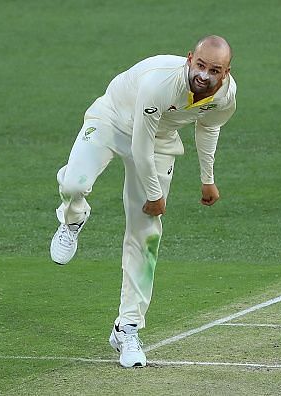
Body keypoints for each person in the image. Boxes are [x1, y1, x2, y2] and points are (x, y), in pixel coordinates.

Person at [50, 35, 237, 367]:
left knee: (146, 233)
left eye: (215, 70)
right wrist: (155, 195)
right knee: (74, 183)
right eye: (200, 65)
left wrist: (207, 178)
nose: (204, 75)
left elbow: (208, 129)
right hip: (112, 120)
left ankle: (128, 327)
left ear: (226, 72)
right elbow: (139, 146)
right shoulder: (160, 84)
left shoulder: (225, 95)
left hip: (161, 140)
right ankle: (73, 216)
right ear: (189, 58)